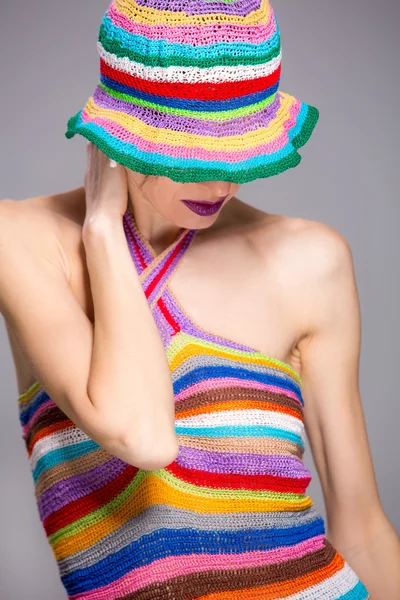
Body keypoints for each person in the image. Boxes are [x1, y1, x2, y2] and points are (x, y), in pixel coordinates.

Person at [1, 1, 399, 599]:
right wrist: (103, 229)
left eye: (239, 152)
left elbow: (361, 525)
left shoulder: (309, 260)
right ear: (122, 133)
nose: (219, 185)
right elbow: (143, 435)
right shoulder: (24, 241)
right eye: (192, 155)